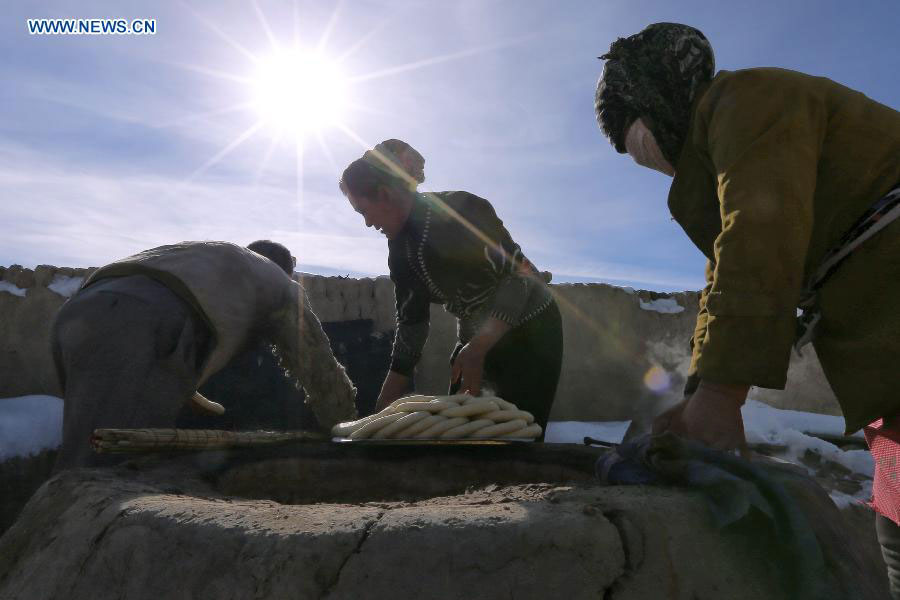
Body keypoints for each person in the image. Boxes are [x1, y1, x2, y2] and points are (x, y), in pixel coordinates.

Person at [595, 21, 900, 594]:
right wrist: (697, 394)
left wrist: (721, 395)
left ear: (661, 101)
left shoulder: (748, 99)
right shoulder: (726, 143)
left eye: (637, 141)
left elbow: (760, 231)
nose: (649, 161)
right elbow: (723, 275)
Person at [51, 240, 357, 470]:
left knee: (83, 444)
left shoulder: (211, 260)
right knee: (117, 462)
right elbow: (320, 368)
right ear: (287, 269)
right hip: (148, 321)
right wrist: (344, 427)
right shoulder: (280, 283)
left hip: (79, 311)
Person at [339, 140, 563, 432]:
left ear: (384, 194)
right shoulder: (400, 253)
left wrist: (479, 346)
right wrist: (375, 418)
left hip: (532, 330)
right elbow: (411, 329)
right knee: (462, 429)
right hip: (473, 339)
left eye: (364, 211)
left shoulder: (462, 210)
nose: (368, 223)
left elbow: (522, 278)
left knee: (517, 430)